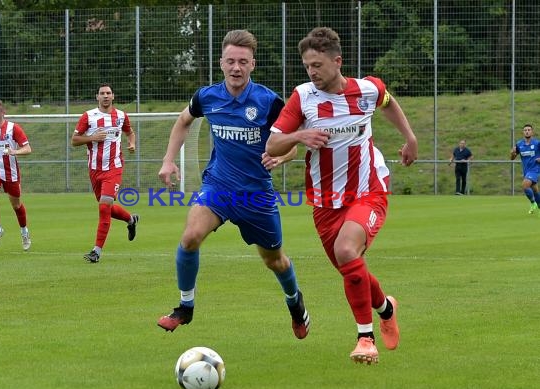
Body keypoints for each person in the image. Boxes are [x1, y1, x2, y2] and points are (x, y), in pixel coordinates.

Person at [266, 27, 418, 364]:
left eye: (317, 64)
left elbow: (388, 101)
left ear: (338, 61)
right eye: (307, 66)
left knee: (347, 249)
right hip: (324, 203)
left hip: (369, 191)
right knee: (351, 267)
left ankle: (365, 338)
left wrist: (409, 137)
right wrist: (301, 135)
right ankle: (386, 308)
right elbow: (273, 144)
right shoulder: (303, 97)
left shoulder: (367, 89)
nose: (312, 72)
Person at [156, 29, 310, 339]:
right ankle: (185, 307)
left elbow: (293, 141)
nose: (236, 68)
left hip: (256, 196)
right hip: (218, 187)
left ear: (253, 64)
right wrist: (168, 160)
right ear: (221, 63)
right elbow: (184, 120)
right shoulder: (207, 97)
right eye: (230, 61)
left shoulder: (269, 102)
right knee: (190, 237)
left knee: (274, 261)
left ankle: (295, 303)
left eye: (242, 61)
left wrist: (281, 158)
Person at [71, 83, 139, 263]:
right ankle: (131, 220)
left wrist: (132, 144)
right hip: (94, 169)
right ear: (97, 97)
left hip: (114, 168)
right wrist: (92, 137)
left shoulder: (121, 116)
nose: (106, 96)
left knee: (103, 207)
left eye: (108, 93)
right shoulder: (89, 116)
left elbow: (130, 133)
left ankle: (96, 251)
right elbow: (75, 140)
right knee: (106, 207)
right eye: (102, 93)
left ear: (113, 96)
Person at [0, 99, 33, 251]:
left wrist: (15, 151)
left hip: (10, 172)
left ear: (3, 112)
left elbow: (28, 148)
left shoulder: (13, 128)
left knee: (16, 205)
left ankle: (24, 232)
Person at [510, 123, 540, 214]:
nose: (527, 132)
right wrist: (512, 153)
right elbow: (512, 158)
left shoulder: (537, 143)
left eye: (529, 130)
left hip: (535, 169)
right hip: (526, 171)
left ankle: (533, 203)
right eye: (525, 130)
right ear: (523, 132)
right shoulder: (519, 144)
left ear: (532, 132)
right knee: (534, 190)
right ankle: (538, 204)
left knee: (525, 185)